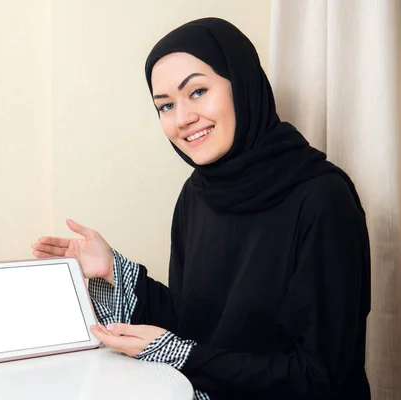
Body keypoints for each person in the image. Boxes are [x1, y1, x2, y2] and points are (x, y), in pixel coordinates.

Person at [31, 17, 371, 400]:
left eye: (197, 92)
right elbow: (195, 321)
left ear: (241, 84)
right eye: (165, 105)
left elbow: (318, 375)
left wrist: (178, 355)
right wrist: (114, 270)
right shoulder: (197, 194)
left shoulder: (323, 199)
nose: (182, 119)